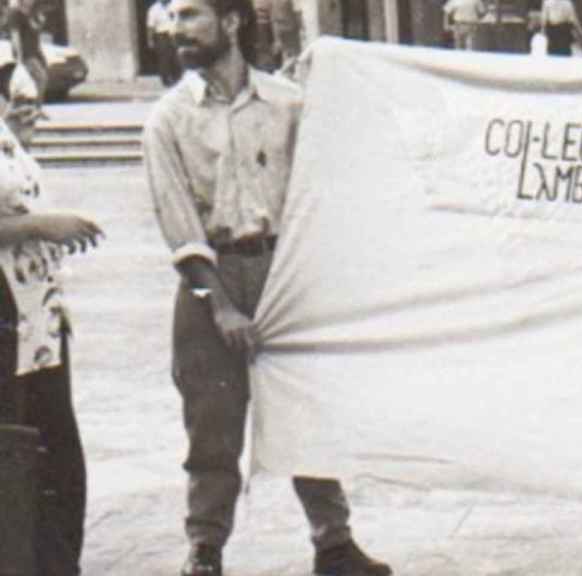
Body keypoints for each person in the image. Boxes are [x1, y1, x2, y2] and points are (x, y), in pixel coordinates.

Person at [142, 1, 392, 575]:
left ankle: (334, 544)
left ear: (231, 22)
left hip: (284, 271)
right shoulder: (167, 119)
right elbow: (177, 222)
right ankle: (205, 550)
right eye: (173, 18)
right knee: (212, 423)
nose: (176, 29)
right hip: (211, 278)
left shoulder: (288, 103)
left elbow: (323, 188)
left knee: (308, 411)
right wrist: (221, 305)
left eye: (190, 15)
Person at [0, 71, 103, 576]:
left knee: (54, 458)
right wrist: (44, 225)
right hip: (7, 324)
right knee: (15, 457)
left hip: (36, 323)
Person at [6, 0, 48, 103]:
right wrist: (19, 56)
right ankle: (35, 106)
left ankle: (30, 106)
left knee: (36, 80)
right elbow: (15, 36)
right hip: (26, 54)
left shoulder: (31, 13)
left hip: (35, 52)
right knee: (41, 78)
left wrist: (41, 23)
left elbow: (35, 32)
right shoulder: (15, 13)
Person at [148, 0, 184, 86]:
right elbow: (150, 27)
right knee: (164, 58)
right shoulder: (154, 9)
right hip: (161, 35)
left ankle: (178, 78)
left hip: (174, 34)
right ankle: (166, 80)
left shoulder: (174, 5)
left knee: (176, 57)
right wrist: (150, 40)